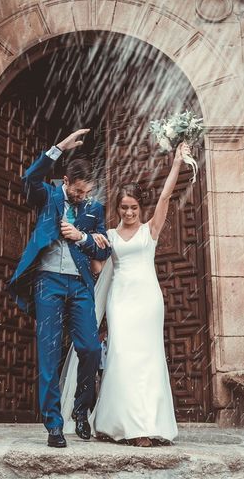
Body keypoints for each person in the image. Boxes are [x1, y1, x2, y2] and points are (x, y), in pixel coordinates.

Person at [63, 142, 189, 447]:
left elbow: (166, 196)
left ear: (140, 208)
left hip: (148, 301)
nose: (129, 212)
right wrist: (80, 238)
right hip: (119, 300)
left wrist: (176, 164)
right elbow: (95, 266)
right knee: (122, 357)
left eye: (133, 207)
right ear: (117, 209)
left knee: (149, 359)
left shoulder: (151, 230)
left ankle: (149, 424)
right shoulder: (110, 236)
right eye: (124, 207)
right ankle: (119, 423)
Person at [8, 129, 112, 448]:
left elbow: (103, 250)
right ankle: (54, 424)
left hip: (80, 284)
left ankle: (81, 411)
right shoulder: (49, 195)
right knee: (49, 354)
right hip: (48, 281)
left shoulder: (94, 209)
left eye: (87, 191)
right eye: (78, 191)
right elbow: (29, 179)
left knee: (91, 349)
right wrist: (58, 148)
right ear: (66, 181)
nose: (82, 197)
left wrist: (83, 238)